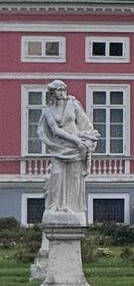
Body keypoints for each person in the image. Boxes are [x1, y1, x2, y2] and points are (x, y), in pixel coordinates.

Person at [38, 80, 98, 220]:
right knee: (57, 174)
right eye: (58, 90)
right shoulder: (48, 110)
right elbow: (55, 130)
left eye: (63, 89)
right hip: (60, 147)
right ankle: (56, 206)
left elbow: (84, 124)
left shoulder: (73, 104)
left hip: (76, 147)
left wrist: (88, 139)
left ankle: (72, 207)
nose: (62, 92)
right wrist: (76, 140)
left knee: (75, 176)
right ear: (52, 93)